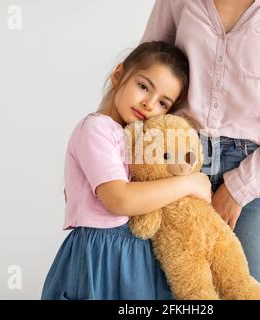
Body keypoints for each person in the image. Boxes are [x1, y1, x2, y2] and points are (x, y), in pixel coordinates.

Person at [141, 0, 260, 299]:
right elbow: (143, 74)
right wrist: (97, 160)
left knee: (246, 291)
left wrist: (239, 188)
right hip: (173, 164)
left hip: (257, 173)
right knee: (164, 294)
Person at [41, 41, 212, 300]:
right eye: (143, 86)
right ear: (119, 75)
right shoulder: (96, 129)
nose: (149, 104)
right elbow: (120, 198)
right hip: (100, 257)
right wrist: (189, 183)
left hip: (135, 258)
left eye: (163, 103)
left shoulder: (134, 139)